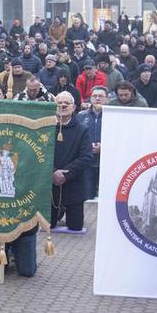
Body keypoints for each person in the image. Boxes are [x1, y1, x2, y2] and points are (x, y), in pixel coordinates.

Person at [50, 93, 93, 234]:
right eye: (59, 103)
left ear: (73, 107)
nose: (62, 105)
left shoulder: (83, 130)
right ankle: (58, 211)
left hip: (73, 184)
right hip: (50, 185)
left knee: (75, 226)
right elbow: (40, 154)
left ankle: (63, 211)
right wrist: (53, 172)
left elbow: (86, 157)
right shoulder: (45, 128)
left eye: (66, 103)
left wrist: (65, 175)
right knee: (48, 224)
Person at [77, 86, 105, 202]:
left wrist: (104, 146)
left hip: (105, 163)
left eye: (101, 96)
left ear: (107, 99)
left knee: (104, 198)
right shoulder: (81, 116)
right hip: (87, 162)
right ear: (90, 98)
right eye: (95, 96)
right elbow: (77, 137)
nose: (97, 98)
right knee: (88, 197)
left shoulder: (112, 116)